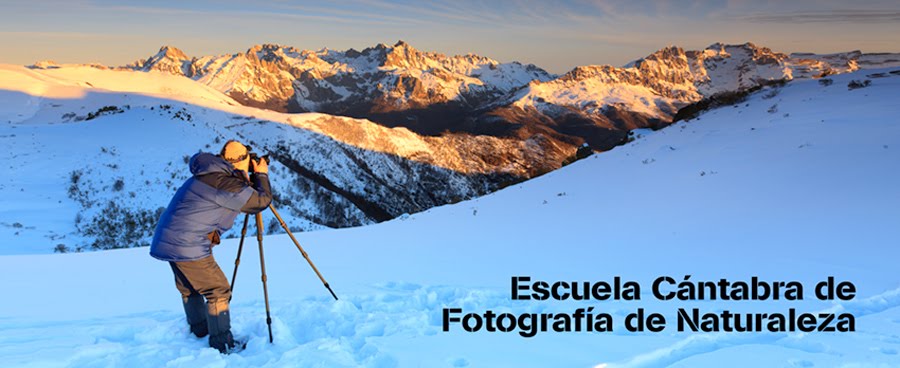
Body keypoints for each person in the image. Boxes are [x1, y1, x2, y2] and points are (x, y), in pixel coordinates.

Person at [150, 140, 272, 353]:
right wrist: (261, 175)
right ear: (241, 162)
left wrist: (247, 177)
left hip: (169, 240)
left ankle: (200, 330)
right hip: (187, 244)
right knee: (218, 290)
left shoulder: (212, 175)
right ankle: (222, 343)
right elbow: (260, 202)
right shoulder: (226, 184)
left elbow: (237, 198)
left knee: (190, 287)